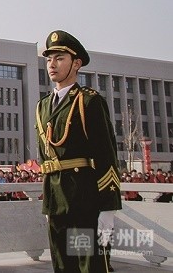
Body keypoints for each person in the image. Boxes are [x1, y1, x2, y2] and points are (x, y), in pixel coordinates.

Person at [36, 30, 121, 273]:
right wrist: (48, 202)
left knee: (89, 266)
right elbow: (46, 159)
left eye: (60, 58)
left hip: (84, 200)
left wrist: (108, 207)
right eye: (49, 59)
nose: (52, 64)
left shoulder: (89, 101)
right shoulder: (42, 106)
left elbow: (106, 155)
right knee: (63, 266)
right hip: (56, 200)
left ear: (76, 63)